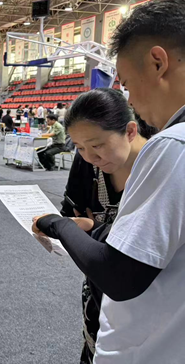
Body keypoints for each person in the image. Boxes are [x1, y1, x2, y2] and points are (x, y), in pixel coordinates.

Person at [32, 0, 185, 364]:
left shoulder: (172, 146)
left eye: (128, 84)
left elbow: (120, 275)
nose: (131, 99)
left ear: (158, 63)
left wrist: (57, 225)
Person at [58, 88, 156, 364]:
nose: (90, 156)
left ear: (130, 131)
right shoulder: (87, 165)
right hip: (99, 289)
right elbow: (71, 215)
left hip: (151, 299)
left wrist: (93, 228)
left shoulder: (160, 165)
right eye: (79, 147)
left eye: (97, 145)